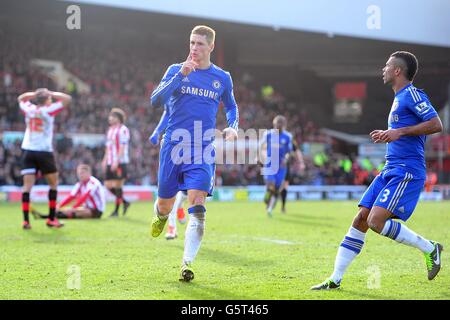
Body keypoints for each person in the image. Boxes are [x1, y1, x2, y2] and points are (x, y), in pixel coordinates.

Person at [312, 51, 444, 290]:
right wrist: (388, 135)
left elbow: (436, 124)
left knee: (375, 221)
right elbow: (403, 131)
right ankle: (335, 279)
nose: (382, 69)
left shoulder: (412, 94)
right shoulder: (398, 98)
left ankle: (430, 248)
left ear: (397, 71)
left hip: (407, 170)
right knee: (361, 218)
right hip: (390, 168)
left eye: (387, 65)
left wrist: (398, 132)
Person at [149, 25, 239, 281]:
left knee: (197, 206)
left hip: (202, 149)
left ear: (211, 47)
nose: (194, 48)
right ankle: (160, 216)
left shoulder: (222, 77)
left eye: (200, 44)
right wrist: (180, 76)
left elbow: (232, 106)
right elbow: (155, 101)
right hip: (173, 147)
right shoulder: (175, 70)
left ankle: (186, 264)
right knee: (165, 204)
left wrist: (233, 127)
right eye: (191, 43)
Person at [17, 88, 72, 229]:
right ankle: (51, 219)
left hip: (28, 150)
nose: (51, 100)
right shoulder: (48, 110)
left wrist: (34, 94)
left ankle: (25, 221)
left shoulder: (29, 108)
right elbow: (67, 99)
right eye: (50, 99)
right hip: (44, 152)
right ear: (47, 100)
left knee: (26, 188)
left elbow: (21, 98)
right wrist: (51, 93)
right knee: (53, 185)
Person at [149, 108, 187, 240]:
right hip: (172, 146)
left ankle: (180, 205)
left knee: (186, 191)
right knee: (171, 194)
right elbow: (168, 111)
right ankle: (172, 228)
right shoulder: (175, 91)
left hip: (194, 145)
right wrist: (157, 131)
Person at [31, 164, 105, 219]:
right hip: (86, 208)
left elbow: (85, 197)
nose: (80, 175)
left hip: (96, 210)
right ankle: (47, 216)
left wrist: (74, 207)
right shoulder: (80, 184)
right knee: (66, 210)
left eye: (82, 173)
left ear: (89, 173)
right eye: (79, 173)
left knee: (73, 211)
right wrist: (59, 205)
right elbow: (71, 196)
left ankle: (45, 217)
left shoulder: (93, 183)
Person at [259, 115, 295, 217]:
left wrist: (286, 158)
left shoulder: (288, 137)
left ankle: (269, 206)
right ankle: (268, 198)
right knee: (271, 184)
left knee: (277, 188)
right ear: (274, 124)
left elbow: (289, 151)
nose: (278, 126)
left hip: (281, 166)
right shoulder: (268, 134)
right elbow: (262, 147)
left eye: (281, 124)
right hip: (270, 164)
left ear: (284, 125)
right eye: (277, 124)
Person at [102, 108, 131, 217]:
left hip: (120, 161)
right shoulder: (110, 130)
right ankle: (125, 202)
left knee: (118, 185)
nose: (110, 118)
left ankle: (116, 211)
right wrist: (105, 159)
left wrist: (117, 161)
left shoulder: (123, 129)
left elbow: (122, 146)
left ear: (118, 118)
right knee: (107, 185)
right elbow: (108, 147)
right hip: (110, 160)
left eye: (112, 116)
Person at [280, 138, 305, 213]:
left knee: (284, 186)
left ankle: (283, 206)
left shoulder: (289, 139)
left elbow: (297, 151)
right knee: (274, 185)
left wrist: (301, 162)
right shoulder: (271, 138)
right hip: (274, 166)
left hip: (285, 167)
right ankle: (270, 203)